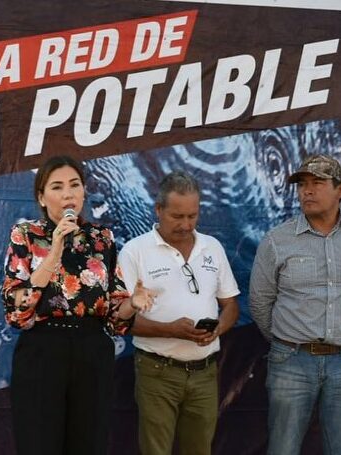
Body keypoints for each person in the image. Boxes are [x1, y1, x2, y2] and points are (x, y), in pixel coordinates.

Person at [2, 155, 154, 455]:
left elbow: (114, 317)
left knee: (89, 443)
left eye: (74, 185)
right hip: (43, 350)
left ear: (84, 192)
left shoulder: (101, 238)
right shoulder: (25, 235)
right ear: (42, 198)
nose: (68, 194)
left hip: (91, 350)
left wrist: (133, 304)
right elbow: (15, 310)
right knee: (39, 442)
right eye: (57, 187)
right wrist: (54, 251)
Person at [118, 171, 239, 455]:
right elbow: (120, 318)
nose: (186, 225)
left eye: (192, 216)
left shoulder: (213, 247)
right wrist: (169, 329)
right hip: (157, 371)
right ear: (158, 209)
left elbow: (231, 306)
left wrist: (216, 331)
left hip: (205, 371)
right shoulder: (135, 251)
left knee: (200, 450)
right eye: (177, 216)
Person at [249, 154, 341, 455]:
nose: (306, 191)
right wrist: (284, 345)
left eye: (317, 183)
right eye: (302, 184)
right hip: (291, 361)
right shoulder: (277, 240)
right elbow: (260, 302)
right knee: (282, 448)